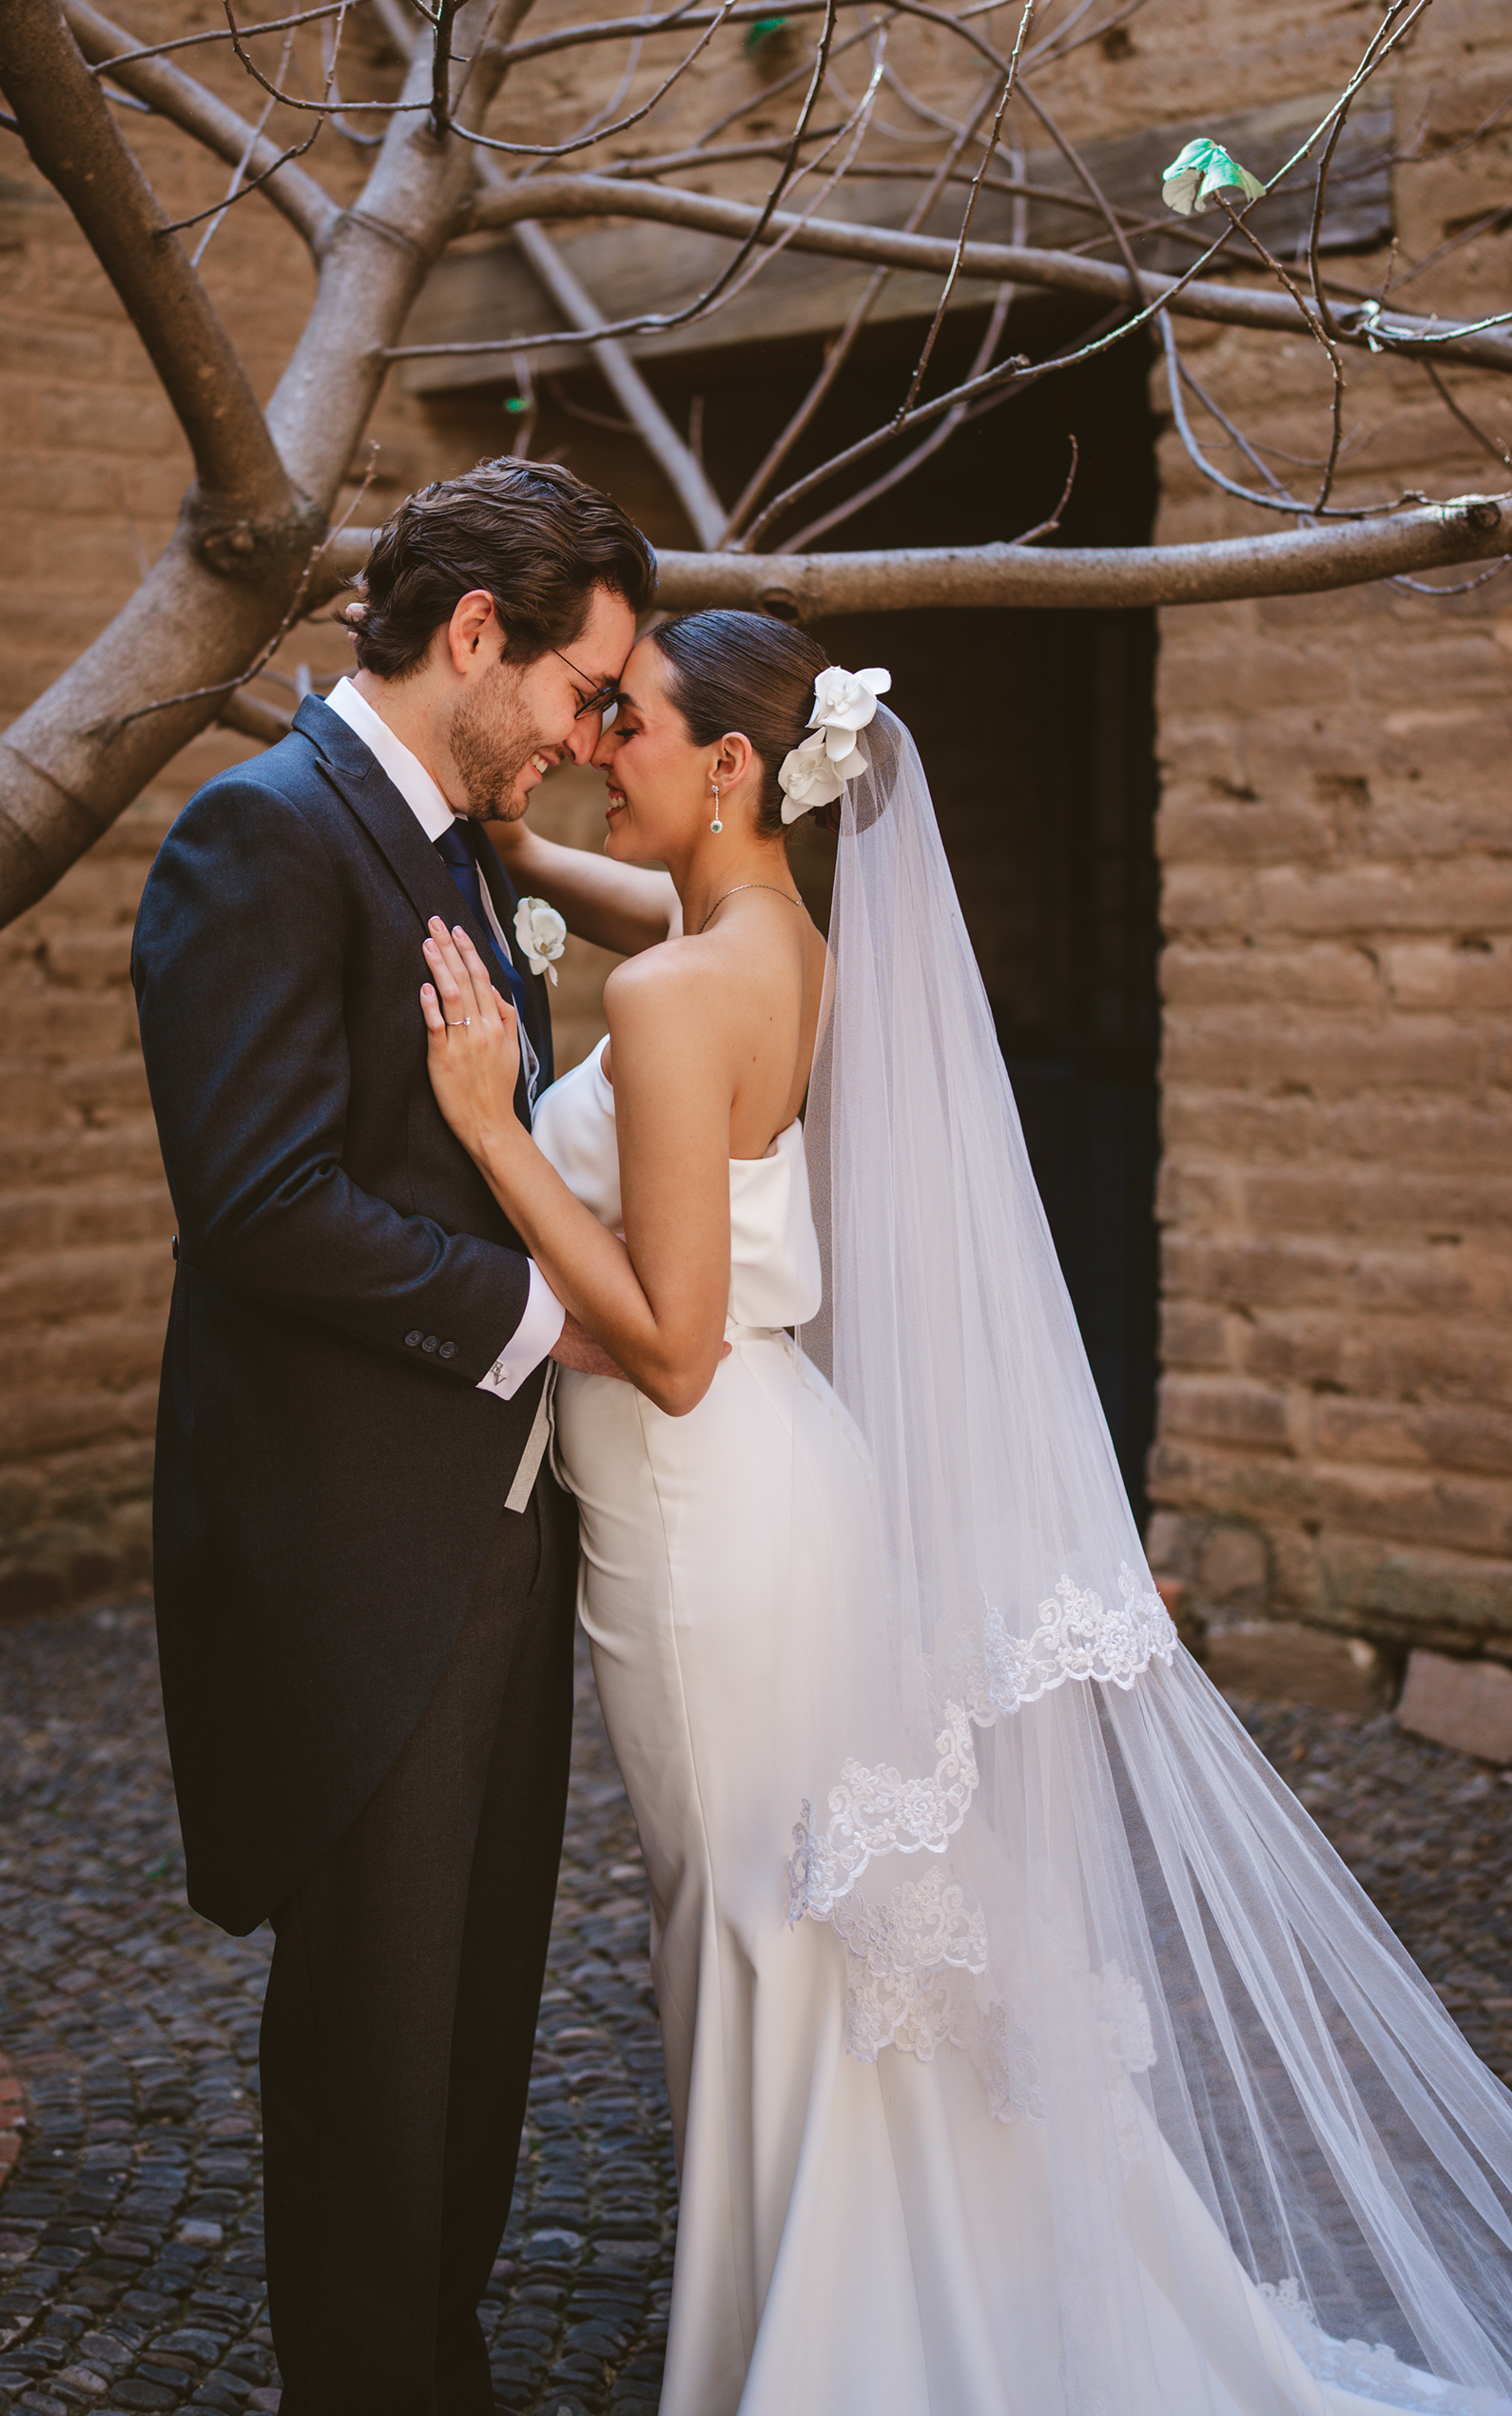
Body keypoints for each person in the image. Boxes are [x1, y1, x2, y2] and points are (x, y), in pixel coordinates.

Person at [418, 607, 1512, 2416]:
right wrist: (514, 845)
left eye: (632, 725)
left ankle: (832, 2333)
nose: (604, 742)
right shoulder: (780, 939)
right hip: (790, 1491)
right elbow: (673, 928)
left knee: (761, 1928)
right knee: (813, 1927)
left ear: (734, 769)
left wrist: (490, 1127)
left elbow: (676, 1349)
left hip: (708, 1513)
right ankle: (850, 2281)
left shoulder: (682, 994)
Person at [129, 458, 652, 2416]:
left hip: (505, 1522)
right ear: (470, 638)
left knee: (477, 2013)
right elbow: (256, 1202)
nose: (592, 738)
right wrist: (550, 1319)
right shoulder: (260, 837)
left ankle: (436, 2359)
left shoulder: (449, 839)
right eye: (583, 694)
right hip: (364, 1552)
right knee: (372, 2036)